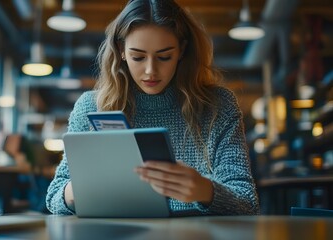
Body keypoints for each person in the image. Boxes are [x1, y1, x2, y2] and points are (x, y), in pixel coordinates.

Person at [46, 0, 259, 216]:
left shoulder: (218, 106)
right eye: (137, 57)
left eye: (164, 57)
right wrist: (80, 188)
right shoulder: (91, 107)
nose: (150, 71)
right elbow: (54, 198)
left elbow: (247, 202)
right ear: (121, 50)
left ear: (182, 50)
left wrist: (205, 190)